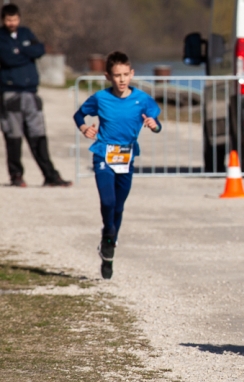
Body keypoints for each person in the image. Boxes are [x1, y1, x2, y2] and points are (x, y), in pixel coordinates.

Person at [73, 51, 161, 280]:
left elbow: (156, 119)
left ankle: (108, 247)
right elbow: (79, 115)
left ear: (132, 74)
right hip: (103, 154)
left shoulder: (142, 99)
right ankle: (109, 234)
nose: (122, 80)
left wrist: (154, 125)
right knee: (108, 200)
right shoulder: (100, 98)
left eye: (125, 75)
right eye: (116, 75)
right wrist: (85, 129)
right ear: (108, 76)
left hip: (126, 157)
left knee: (119, 205)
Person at [0, 3, 71, 187]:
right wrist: (25, 52)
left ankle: (50, 176)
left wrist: (20, 51)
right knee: (13, 136)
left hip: (30, 92)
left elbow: (39, 50)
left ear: (19, 18)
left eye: (15, 19)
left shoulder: (26, 33)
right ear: (3, 20)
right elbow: (7, 58)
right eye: (8, 19)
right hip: (10, 93)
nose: (12, 22)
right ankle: (16, 175)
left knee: (38, 135)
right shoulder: (1, 37)